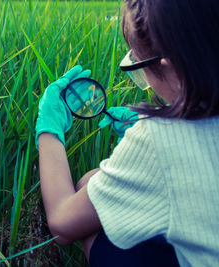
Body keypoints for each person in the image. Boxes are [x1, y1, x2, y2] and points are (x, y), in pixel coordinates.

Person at [35, 0, 219, 266]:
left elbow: (62, 224)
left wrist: (48, 130)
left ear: (166, 66)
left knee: (94, 221)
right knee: (92, 181)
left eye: (138, 62)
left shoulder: (157, 139)